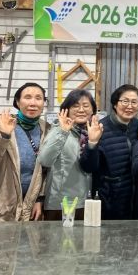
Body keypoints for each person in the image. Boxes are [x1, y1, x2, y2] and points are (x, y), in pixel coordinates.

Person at [0, 82, 50, 221]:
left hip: (29, 211)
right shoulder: (2, 126)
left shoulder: (46, 130)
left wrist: (40, 199)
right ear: (17, 102)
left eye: (38, 98)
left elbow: (45, 171)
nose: (33, 103)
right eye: (27, 97)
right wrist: (3, 136)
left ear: (43, 103)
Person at [79, 84, 138, 219]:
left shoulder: (137, 126)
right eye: (125, 101)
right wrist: (92, 143)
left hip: (133, 195)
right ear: (115, 104)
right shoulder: (100, 128)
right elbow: (88, 167)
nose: (129, 106)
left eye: (134, 102)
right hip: (108, 198)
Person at [38, 89, 98, 220]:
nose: (81, 110)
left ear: (93, 110)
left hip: (88, 201)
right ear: (66, 110)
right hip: (61, 203)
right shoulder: (58, 130)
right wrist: (63, 132)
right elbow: (45, 160)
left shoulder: (94, 132)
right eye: (75, 106)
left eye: (86, 105)